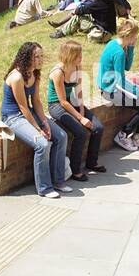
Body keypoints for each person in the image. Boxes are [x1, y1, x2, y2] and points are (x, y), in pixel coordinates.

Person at [2, 42, 70, 198]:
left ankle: (59, 181)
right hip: (13, 116)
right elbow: (23, 107)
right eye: (36, 57)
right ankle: (45, 188)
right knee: (42, 144)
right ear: (27, 58)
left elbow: (37, 102)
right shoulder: (17, 77)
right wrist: (38, 129)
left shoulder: (35, 74)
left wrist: (45, 122)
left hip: (28, 112)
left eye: (41, 56)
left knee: (61, 136)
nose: (40, 60)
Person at [47, 40, 105, 182]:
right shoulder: (58, 72)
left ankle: (92, 163)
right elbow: (62, 102)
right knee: (80, 132)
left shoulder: (77, 67)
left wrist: (83, 112)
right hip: (56, 105)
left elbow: (78, 94)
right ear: (69, 55)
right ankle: (75, 170)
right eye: (78, 55)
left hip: (71, 102)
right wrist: (80, 118)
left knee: (98, 127)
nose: (81, 57)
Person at [98, 18, 139, 153]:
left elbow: (127, 66)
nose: (137, 37)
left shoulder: (116, 45)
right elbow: (120, 81)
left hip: (113, 86)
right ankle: (123, 134)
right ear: (130, 35)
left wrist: (130, 47)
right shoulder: (118, 52)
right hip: (110, 90)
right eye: (135, 36)